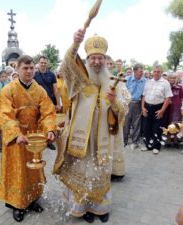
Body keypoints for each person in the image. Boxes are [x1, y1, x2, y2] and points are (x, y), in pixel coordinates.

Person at [53, 29, 126, 223]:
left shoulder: (113, 82)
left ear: (105, 60)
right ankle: (82, 208)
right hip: (81, 136)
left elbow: (124, 109)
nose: (96, 62)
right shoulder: (79, 79)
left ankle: (100, 209)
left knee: (100, 171)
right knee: (83, 170)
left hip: (103, 137)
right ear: (87, 59)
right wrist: (75, 44)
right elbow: (67, 65)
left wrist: (115, 103)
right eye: (93, 58)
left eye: (100, 58)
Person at [0, 55, 56, 222]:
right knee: (17, 172)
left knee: (33, 171)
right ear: (18, 69)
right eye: (25, 68)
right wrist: (16, 134)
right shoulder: (8, 90)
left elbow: (48, 113)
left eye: (31, 68)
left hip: (34, 139)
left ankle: (32, 199)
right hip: (16, 140)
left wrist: (50, 130)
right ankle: (17, 204)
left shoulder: (40, 90)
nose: (29, 71)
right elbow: (5, 115)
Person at [141, 65, 173, 154]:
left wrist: (162, 110)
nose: (156, 73)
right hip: (147, 107)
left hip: (158, 108)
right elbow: (144, 96)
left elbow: (168, 98)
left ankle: (156, 147)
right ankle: (148, 145)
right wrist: (143, 108)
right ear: (152, 72)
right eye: (154, 71)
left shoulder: (165, 83)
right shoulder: (148, 82)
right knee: (146, 127)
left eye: (158, 71)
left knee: (156, 128)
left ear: (161, 72)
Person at [34, 56, 61, 150]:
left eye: (45, 63)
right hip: (39, 103)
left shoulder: (52, 75)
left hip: (51, 101)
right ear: (38, 63)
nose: (43, 64)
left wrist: (58, 103)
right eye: (41, 62)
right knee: (40, 121)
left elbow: (56, 89)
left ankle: (49, 140)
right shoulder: (34, 76)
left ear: (47, 64)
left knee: (50, 120)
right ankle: (41, 139)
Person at [123, 63, 146, 149]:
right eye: (140, 71)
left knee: (136, 123)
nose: (142, 73)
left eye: (142, 71)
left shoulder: (144, 80)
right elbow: (122, 92)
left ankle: (135, 141)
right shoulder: (127, 79)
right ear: (135, 71)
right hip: (127, 103)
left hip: (138, 103)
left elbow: (144, 94)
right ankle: (124, 141)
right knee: (126, 123)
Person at [163, 72, 183, 148]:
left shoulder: (180, 87)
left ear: (177, 79)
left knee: (176, 124)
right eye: (171, 78)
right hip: (167, 108)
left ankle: (175, 141)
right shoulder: (165, 86)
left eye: (174, 78)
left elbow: (182, 97)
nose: (172, 79)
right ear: (168, 79)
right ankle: (168, 140)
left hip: (176, 108)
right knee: (167, 123)